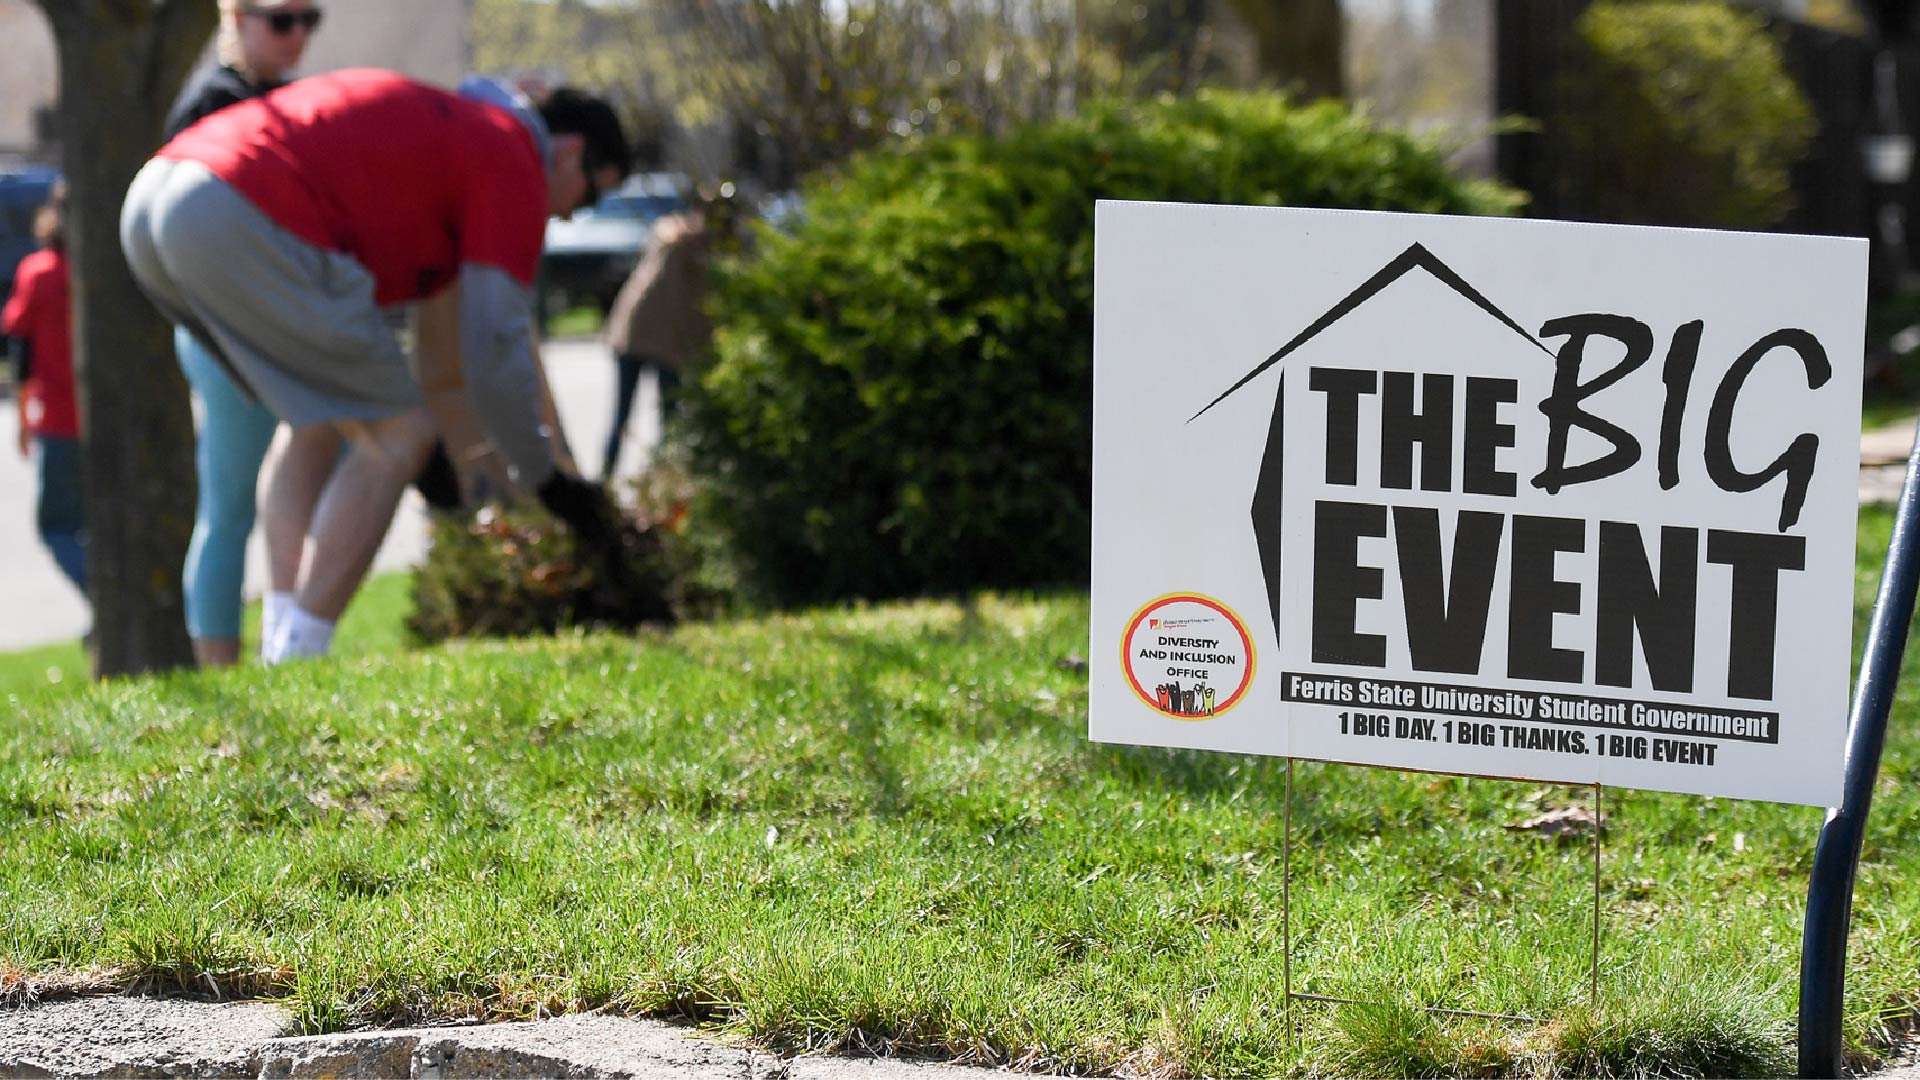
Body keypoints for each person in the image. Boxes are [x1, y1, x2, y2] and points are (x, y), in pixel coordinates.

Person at [121, 68, 630, 663]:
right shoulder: (512, 152)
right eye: (592, 195)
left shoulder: (455, 126)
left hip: (154, 199)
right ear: (570, 151)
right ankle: (298, 658)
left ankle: (280, 636)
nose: (572, 216)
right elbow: (494, 346)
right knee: (400, 437)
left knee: (315, 421)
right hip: (234, 205)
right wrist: (548, 479)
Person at [163, 0, 326, 668]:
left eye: (308, 20)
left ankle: (286, 649)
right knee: (230, 503)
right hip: (226, 333)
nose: (297, 36)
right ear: (235, 17)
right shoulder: (211, 105)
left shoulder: (290, 102)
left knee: (314, 479)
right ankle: (222, 671)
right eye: (281, 20)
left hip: (282, 329)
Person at [601, 185, 741, 478]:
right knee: (666, 420)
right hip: (662, 340)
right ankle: (654, 484)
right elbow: (696, 310)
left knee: (628, 417)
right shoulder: (695, 249)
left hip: (633, 332)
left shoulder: (668, 233)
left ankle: (618, 482)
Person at [1, 183, 86, 600]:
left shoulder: (38, 272)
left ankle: (103, 597)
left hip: (57, 419)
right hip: (106, 421)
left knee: (56, 526)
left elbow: (22, 353)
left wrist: (22, 419)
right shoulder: (107, 273)